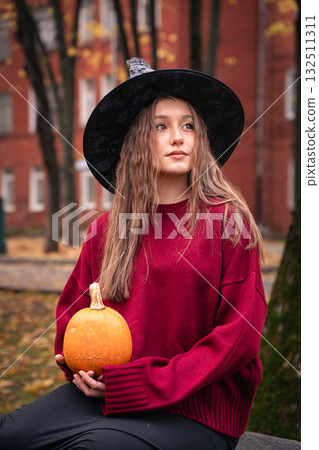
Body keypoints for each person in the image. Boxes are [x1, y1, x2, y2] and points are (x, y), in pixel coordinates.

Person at [1, 58, 267, 449]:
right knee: (10, 433)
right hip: (108, 396)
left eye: (188, 125)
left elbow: (239, 339)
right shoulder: (105, 231)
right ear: (136, 141)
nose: (179, 137)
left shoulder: (227, 223)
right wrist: (77, 364)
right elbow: (72, 314)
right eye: (161, 126)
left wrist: (143, 383)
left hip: (198, 410)